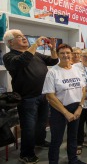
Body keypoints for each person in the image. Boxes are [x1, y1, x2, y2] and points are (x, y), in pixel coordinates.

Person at [3, 29, 59, 163]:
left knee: (42, 123)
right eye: (19, 37)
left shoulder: (36, 54)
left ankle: (40, 141)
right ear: (10, 42)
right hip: (27, 98)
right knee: (29, 127)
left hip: (43, 95)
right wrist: (35, 45)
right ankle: (26, 154)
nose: (23, 38)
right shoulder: (9, 57)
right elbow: (22, 62)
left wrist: (53, 49)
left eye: (23, 36)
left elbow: (53, 61)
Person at [42, 44, 86, 164]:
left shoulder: (77, 69)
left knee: (73, 137)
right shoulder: (53, 72)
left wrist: (80, 107)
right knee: (57, 140)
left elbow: (83, 89)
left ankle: (73, 160)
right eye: (62, 53)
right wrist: (65, 112)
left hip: (76, 107)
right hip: (59, 110)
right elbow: (50, 96)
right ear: (58, 55)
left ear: (71, 54)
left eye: (68, 52)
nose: (66, 55)